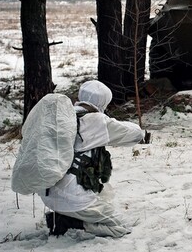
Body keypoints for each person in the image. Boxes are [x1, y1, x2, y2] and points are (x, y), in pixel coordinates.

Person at [40, 80, 145, 237]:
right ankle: (72, 223)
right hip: (75, 201)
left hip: (49, 195)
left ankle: (64, 216)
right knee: (120, 227)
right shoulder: (97, 122)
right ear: (103, 102)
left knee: (103, 193)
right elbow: (135, 134)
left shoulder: (60, 116)